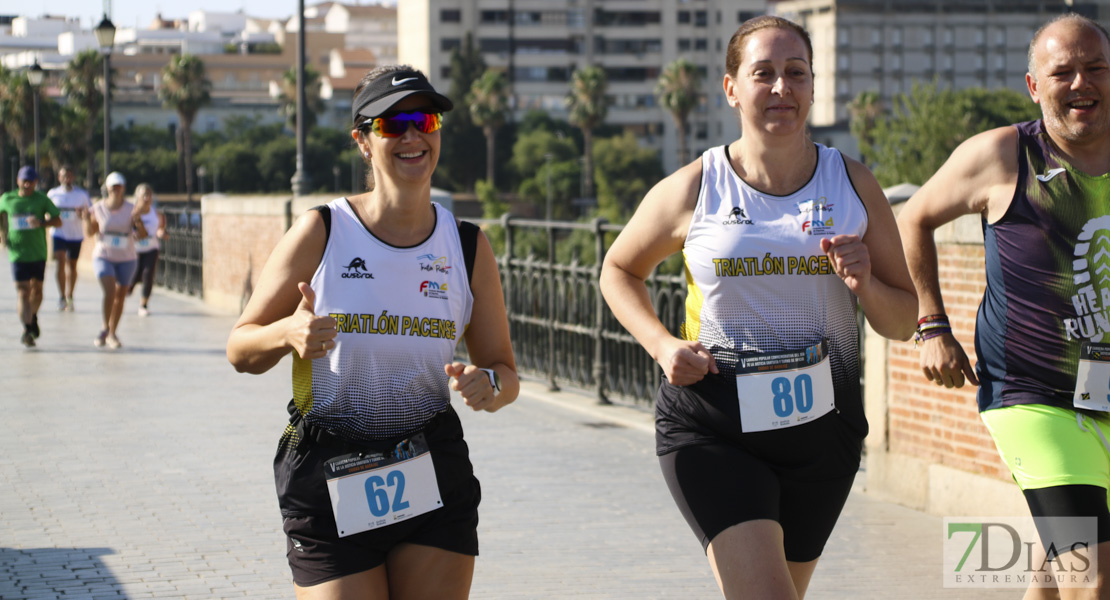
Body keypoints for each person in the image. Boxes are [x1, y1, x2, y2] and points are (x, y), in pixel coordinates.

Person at [599, 16, 917, 599]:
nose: (780, 88)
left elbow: (901, 321)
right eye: (763, 73)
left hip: (824, 432)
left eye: (796, 73)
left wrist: (867, 284)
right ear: (731, 88)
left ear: (814, 87)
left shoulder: (852, 185)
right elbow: (618, 270)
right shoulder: (697, 187)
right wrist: (662, 344)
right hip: (715, 426)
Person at [226, 65, 518, 599]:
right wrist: (286, 333)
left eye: (423, 120)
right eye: (392, 124)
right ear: (363, 141)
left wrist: (489, 387)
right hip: (328, 463)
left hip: (429, 461)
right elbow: (239, 346)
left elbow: (504, 372)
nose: (411, 136)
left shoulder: (468, 246)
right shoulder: (322, 230)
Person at [898, 13, 1110, 598]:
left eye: (1095, 68)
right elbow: (913, 216)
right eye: (1061, 72)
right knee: (1092, 577)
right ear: (1034, 86)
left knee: (1054, 566)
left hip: (1107, 389)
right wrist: (932, 324)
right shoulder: (1002, 155)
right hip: (1032, 394)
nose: (1081, 84)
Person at [0, 166, 62, 347]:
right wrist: (2, 233)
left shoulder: (41, 199)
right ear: (18, 181)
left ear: (35, 182)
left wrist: (41, 222)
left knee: (37, 291)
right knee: (23, 292)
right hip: (17, 253)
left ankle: (33, 317)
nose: (27, 184)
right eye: (24, 180)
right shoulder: (7, 198)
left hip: (38, 252)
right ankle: (27, 329)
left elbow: (58, 220)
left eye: (31, 181)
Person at [83, 171, 145, 349]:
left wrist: (139, 222)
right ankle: (105, 326)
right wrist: (86, 219)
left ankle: (112, 333)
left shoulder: (132, 209)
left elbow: (141, 235)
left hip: (127, 258)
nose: (116, 190)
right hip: (104, 256)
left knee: (120, 297)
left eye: (120, 187)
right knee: (110, 292)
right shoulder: (98, 208)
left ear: (124, 188)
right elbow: (89, 232)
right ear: (107, 189)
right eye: (113, 187)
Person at [46, 165, 91, 312]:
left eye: (70, 175)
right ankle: (61, 296)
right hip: (59, 233)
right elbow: (45, 212)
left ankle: (70, 295)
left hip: (76, 235)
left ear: (73, 177)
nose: (67, 178)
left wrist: (83, 215)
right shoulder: (53, 194)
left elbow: (89, 212)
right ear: (59, 178)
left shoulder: (81, 194)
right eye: (64, 176)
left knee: (72, 266)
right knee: (60, 262)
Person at [129, 183, 166, 317]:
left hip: (151, 248)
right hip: (135, 249)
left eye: (149, 195)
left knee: (148, 274)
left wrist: (161, 233)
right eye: (144, 195)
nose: (147, 198)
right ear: (137, 196)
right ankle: (127, 290)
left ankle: (143, 304)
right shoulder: (132, 213)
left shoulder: (156, 213)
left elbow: (161, 227)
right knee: (133, 277)